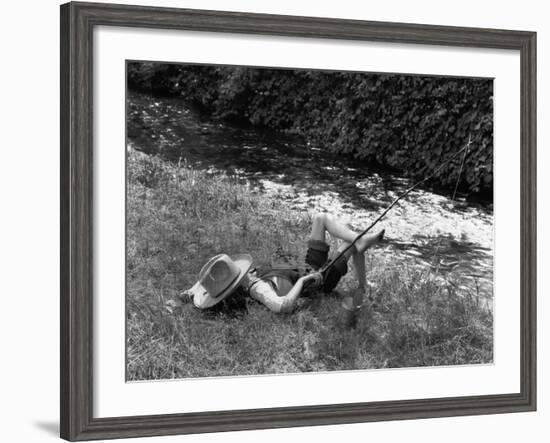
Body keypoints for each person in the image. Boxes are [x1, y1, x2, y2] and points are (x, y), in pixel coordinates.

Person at [181, 213, 384, 319]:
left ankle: (363, 243)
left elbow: (205, 281)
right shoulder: (257, 288)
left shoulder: (226, 278)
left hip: (307, 265)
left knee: (321, 219)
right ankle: (363, 261)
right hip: (318, 280)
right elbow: (282, 306)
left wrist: (191, 292)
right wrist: (305, 280)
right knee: (351, 245)